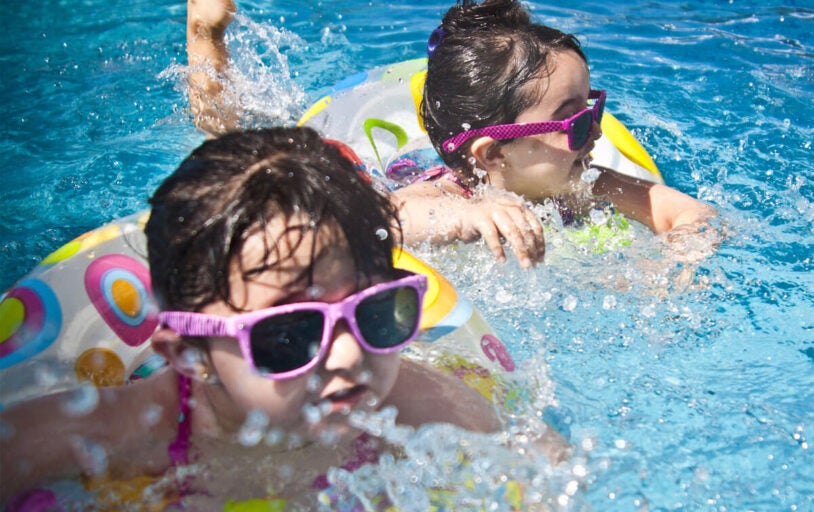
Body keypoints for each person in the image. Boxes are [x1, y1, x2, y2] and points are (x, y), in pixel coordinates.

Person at [0, 127, 505, 508]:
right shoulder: (110, 439)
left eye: (376, 313)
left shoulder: (421, 411)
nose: (350, 354)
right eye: (290, 334)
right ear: (188, 353)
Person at [393, 0, 717, 266]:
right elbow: (380, 222)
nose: (596, 133)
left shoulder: (585, 185)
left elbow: (693, 213)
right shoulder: (451, 197)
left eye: (592, 111)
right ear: (493, 153)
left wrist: (675, 259)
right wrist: (467, 217)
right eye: (574, 124)